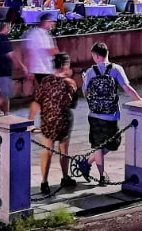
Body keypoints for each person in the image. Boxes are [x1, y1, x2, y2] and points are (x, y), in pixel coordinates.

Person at [82, 43, 142, 185]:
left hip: (94, 114)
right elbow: (126, 88)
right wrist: (139, 100)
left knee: (98, 146)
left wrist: (85, 81)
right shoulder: (116, 69)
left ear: (97, 55)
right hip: (111, 115)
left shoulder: (91, 71)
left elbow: (85, 93)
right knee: (113, 144)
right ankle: (97, 172)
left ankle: (92, 167)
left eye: (93, 56)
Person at [36, 53, 79, 194]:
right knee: (63, 150)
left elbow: (38, 99)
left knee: (47, 151)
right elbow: (72, 104)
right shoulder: (69, 82)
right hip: (63, 119)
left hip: (47, 119)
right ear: (63, 66)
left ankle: (44, 182)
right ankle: (65, 177)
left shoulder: (44, 81)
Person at [25, 13, 59, 130]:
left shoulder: (33, 33)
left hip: (37, 69)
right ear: (45, 22)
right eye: (51, 22)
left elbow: (28, 53)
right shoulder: (43, 35)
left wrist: (29, 69)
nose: (52, 24)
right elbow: (50, 50)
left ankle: (35, 121)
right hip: (44, 69)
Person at [0, 20, 26, 115]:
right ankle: (5, 112)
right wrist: (22, 66)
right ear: (4, 27)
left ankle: (0, 111)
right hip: (4, 70)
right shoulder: (4, 40)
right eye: (8, 26)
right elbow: (11, 55)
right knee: (5, 94)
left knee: (1, 92)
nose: (10, 28)